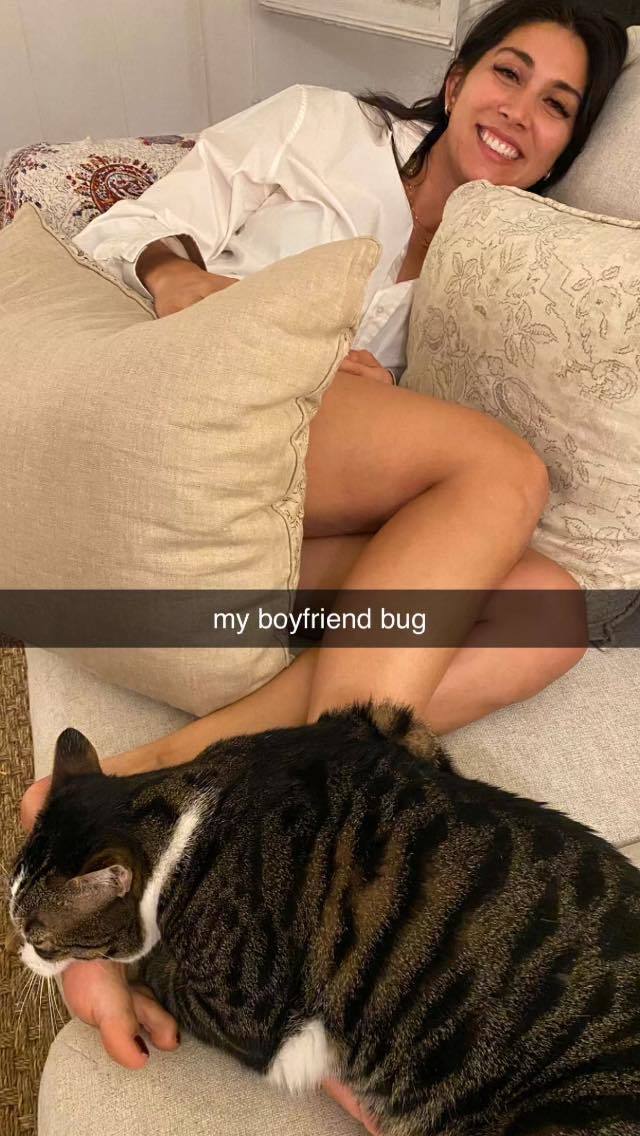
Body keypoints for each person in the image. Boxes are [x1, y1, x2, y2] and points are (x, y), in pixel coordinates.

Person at [20, 2, 628, 1131]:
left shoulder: (489, 261)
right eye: (509, 72)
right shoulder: (322, 127)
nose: (522, 111)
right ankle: (318, 923)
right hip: (192, 429)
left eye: (558, 105)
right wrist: (201, 290)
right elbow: (139, 225)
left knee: (548, 607)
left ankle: (136, 795)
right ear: (456, 77)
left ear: (566, 145)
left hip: (270, 529)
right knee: (502, 473)